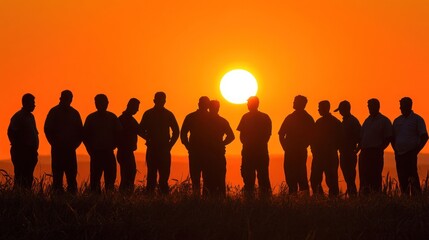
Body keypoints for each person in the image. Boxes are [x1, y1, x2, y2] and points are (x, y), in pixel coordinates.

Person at [44, 90, 83, 194]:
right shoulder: (54, 112)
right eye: (67, 98)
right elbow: (47, 129)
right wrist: (54, 143)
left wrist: (74, 145)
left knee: (71, 178)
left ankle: (72, 200)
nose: (68, 100)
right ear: (61, 98)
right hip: (58, 150)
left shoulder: (74, 113)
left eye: (69, 98)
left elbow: (80, 132)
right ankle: (57, 200)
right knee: (57, 178)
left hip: (70, 150)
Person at [140, 92, 179, 194]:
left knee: (163, 177)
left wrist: (170, 145)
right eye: (159, 100)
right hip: (154, 149)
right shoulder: (149, 114)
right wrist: (148, 138)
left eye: (162, 100)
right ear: (154, 101)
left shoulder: (167, 114)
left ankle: (162, 198)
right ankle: (151, 197)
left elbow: (176, 131)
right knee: (152, 176)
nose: (161, 102)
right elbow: (140, 130)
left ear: (165, 101)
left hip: (163, 149)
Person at [83, 94, 122, 193]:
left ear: (107, 103)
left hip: (108, 153)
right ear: (95, 104)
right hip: (96, 154)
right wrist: (90, 150)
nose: (101, 105)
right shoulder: (91, 118)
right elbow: (85, 136)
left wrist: (114, 145)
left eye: (103, 102)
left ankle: (108, 201)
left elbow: (119, 134)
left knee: (110, 181)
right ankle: (96, 202)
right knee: (95, 182)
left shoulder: (112, 117)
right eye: (98, 102)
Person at [278, 95, 314, 195]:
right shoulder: (290, 117)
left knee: (301, 175)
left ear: (301, 104)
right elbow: (281, 134)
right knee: (290, 176)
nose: (293, 103)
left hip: (299, 152)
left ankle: (304, 198)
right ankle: (293, 197)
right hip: (290, 151)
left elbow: (312, 136)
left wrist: (303, 145)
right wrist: (285, 147)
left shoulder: (307, 119)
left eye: (295, 102)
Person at [392, 97, 428, 196]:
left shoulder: (417, 119)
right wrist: (395, 150)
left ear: (409, 106)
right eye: (400, 106)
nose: (400, 108)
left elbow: (424, 136)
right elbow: (392, 137)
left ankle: (417, 200)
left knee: (413, 178)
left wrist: (415, 151)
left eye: (402, 105)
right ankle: (405, 199)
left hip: (410, 154)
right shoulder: (397, 121)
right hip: (399, 155)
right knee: (402, 179)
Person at [237, 96, 272, 197]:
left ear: (254, 104)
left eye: (249, 103)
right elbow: (267, 135)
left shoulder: (246, 117)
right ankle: (264, 199)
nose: (247, 105)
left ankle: (251, 199)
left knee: (251, 178)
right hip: (259, 152)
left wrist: (248, 145)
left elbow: (242, 135)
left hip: (252, 152)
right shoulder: (265, 117)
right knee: (262, 178)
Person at [359, 98, 392, 195]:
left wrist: (380, 149)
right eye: (368, 106)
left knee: (375, 177)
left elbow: (388, 137)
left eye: (371, 106)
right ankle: (364, 198)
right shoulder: (367, 120)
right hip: (364, 153)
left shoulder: (384, 121)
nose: (369, 108)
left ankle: (376, 197)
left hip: (375, 153)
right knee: (364, 178)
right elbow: (361, 137)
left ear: (377, 106)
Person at [310, 100, 342, 197]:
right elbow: (313, 139)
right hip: (322, 156)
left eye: (320, 108)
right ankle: (322, 199)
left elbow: (340, 139)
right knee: (316, 180)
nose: (318, 110)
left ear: (325, 108)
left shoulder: (334, 123)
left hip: (328, 156)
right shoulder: (331, 122)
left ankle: (329, 200)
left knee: (330, 180)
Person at [8, 93, 39, 190]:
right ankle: (18, 198)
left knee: (28, 177)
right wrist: (20, 147)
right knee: (20, 177)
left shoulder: (31, 117)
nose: (34, 105)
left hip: (31, 152)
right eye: (32, 102)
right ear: (26, 103)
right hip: (21, 153)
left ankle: (26, 196)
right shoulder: (18, 117)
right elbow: (11, 132)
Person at [180, 96, 211, 195]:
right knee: (196, 177)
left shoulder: (192, 117)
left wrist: (188, 146)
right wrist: (188, 146)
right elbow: (183, 133)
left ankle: (201, 198)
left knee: (205, 177)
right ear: (199, 104)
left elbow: (183, 134)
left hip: (205, 152)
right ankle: (198, 198)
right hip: (197, 152)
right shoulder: (192, 117)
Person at [204, 100, 235, 196]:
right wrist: (222, 143)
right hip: (211, 154)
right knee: (214, 179)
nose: (216, 109)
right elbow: (231, 136)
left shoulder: (204, 121)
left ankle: (211, 200)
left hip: (213, 154)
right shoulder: (221, 121)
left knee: (212, 179)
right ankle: (218, 200)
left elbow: (231, 136)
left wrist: (222, 144)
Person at [333, 100, 361, 197]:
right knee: (348, 177)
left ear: (345, 109)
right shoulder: (345, 121)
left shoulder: (353, 121)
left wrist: (355, 151)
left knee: (350, 178)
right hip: (344, 153)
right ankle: (352, 196)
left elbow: (360, 138)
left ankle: (353, 197)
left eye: (340, 110)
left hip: (349, 154)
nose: (340, 112)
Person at [117, 98, 144, 194]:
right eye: (136, 107)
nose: (137, 110)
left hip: (125, 152)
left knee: (129, 174)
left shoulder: (125, 119)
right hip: (125, 152)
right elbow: (140, 131)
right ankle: (125, 195)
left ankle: (126, 195)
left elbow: (140, 131)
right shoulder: (126, 120)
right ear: (131, 106)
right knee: (127, 175)